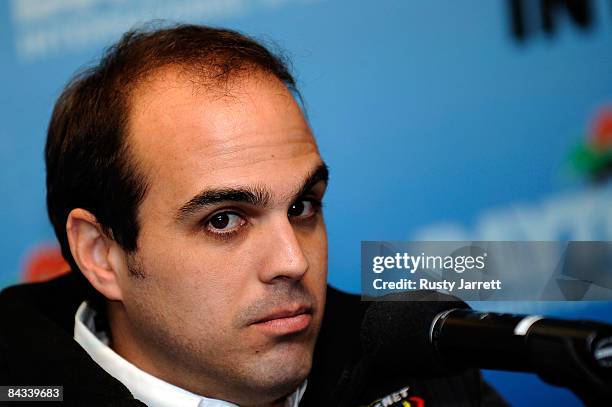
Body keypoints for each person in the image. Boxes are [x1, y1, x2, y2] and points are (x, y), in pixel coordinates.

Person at [0, 24, 506, 407]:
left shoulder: (423, 372)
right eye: (224, 220)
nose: (292, 261)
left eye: (302, 207)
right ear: (102, 255)